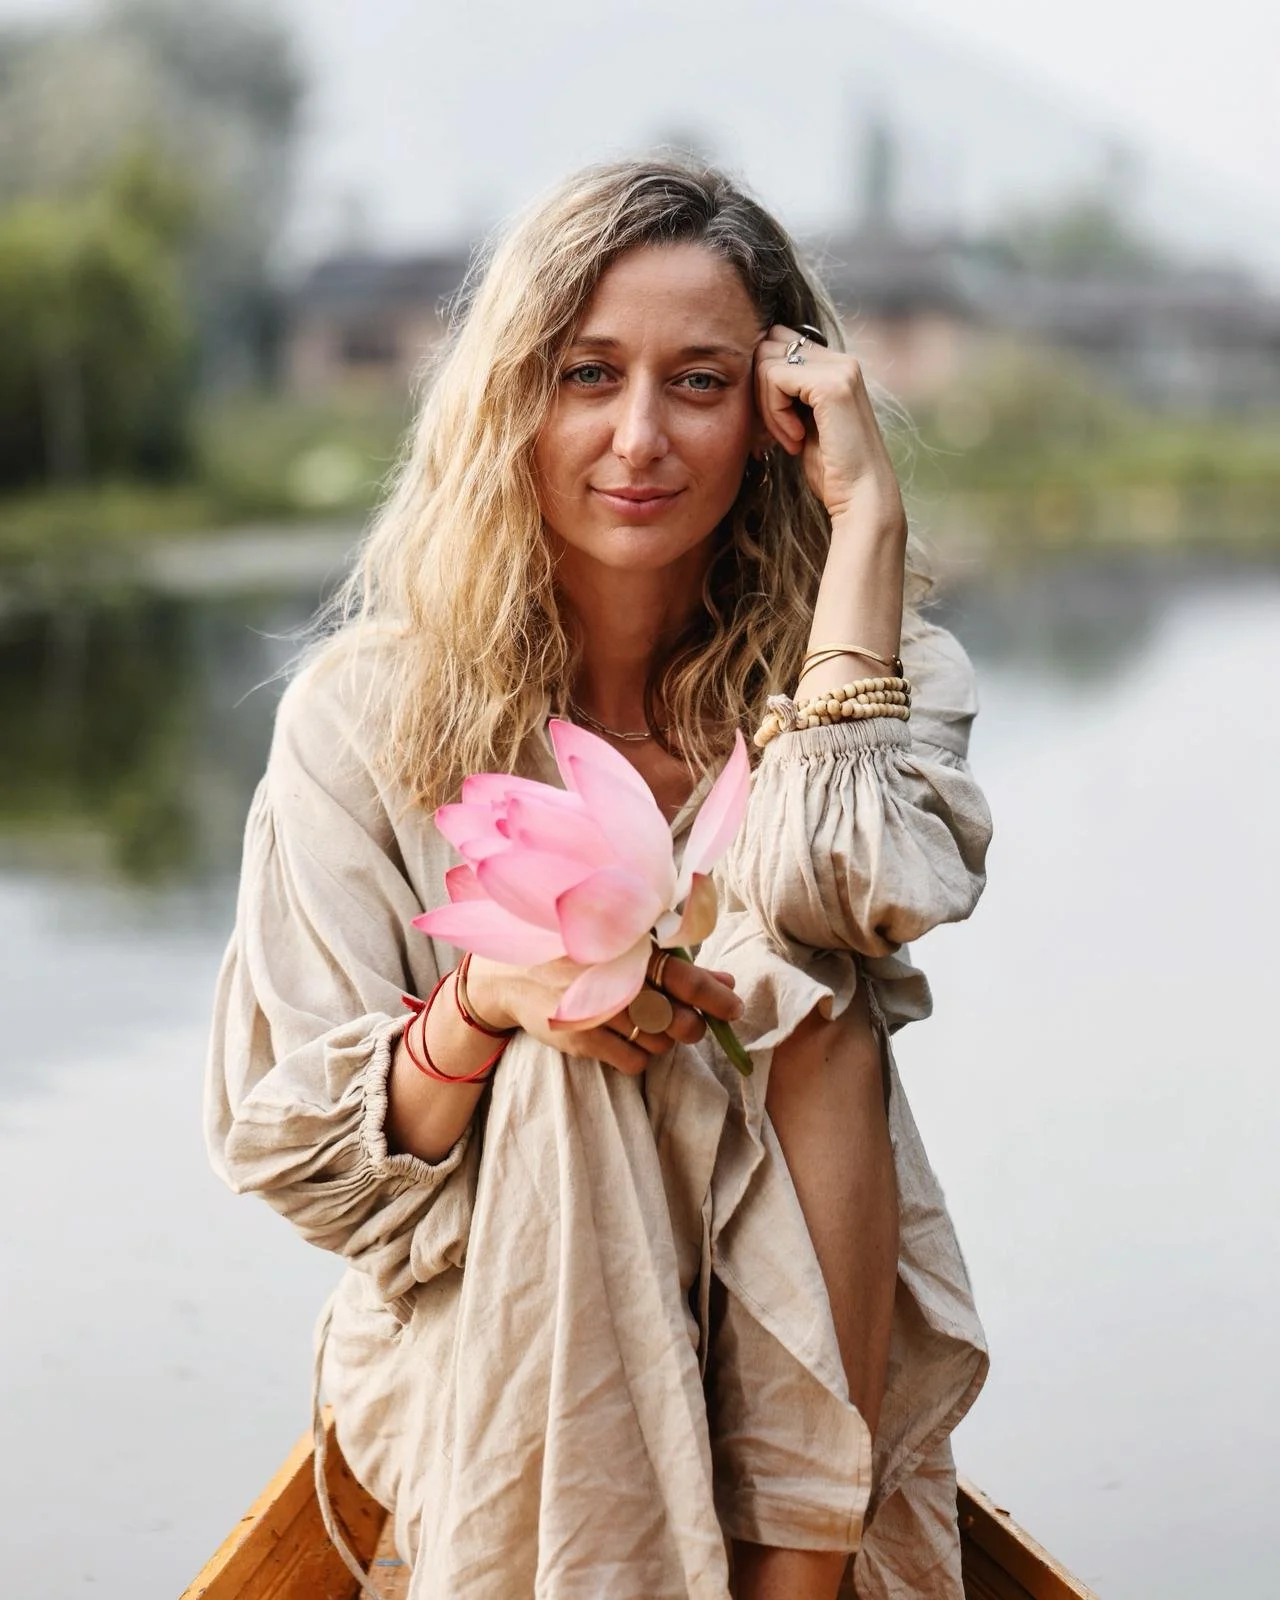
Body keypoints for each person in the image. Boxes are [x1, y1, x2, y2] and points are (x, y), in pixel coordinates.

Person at [205, 157, 992, 1600]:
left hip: (807, 1356)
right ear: (515, 397)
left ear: (775, 419)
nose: (639, 437)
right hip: (482, 1355)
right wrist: (484, 1005)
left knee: (814, 986)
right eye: (587, 374)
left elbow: (849, 889)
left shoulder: (878, 673)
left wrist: (867, 527)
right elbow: (313, 1168)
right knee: (560, 1043)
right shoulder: (363, 719)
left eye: (699, 383)